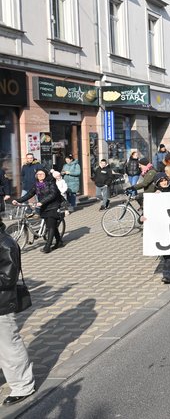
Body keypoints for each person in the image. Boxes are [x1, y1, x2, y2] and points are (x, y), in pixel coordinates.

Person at [0, 229, 36, 406]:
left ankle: (23, 385)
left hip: (2, 304)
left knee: (9, 345)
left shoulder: (6, 243)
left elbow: (8, 279)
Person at [13, 169, 64, 253]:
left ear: (45, 175)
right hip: (44, 206)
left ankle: (47, 246)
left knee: (50, 226)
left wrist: (41, 202)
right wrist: (18, 200)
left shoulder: (51, 182)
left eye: (42, 174)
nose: (40, 175)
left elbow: (53, 194)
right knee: (52, 225)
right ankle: (59, 241)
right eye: (38, 174)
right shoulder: (36, 184)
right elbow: (29, 194)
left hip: (53, 205)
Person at [152, 173, 170, 284]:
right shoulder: (155, 194)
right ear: (157, 183)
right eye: (161, 181)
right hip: (162, 225)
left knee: (169, 250)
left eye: (165, 180)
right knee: (167, 252)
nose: (164, 183)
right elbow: (150, 210)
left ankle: (167, 274)